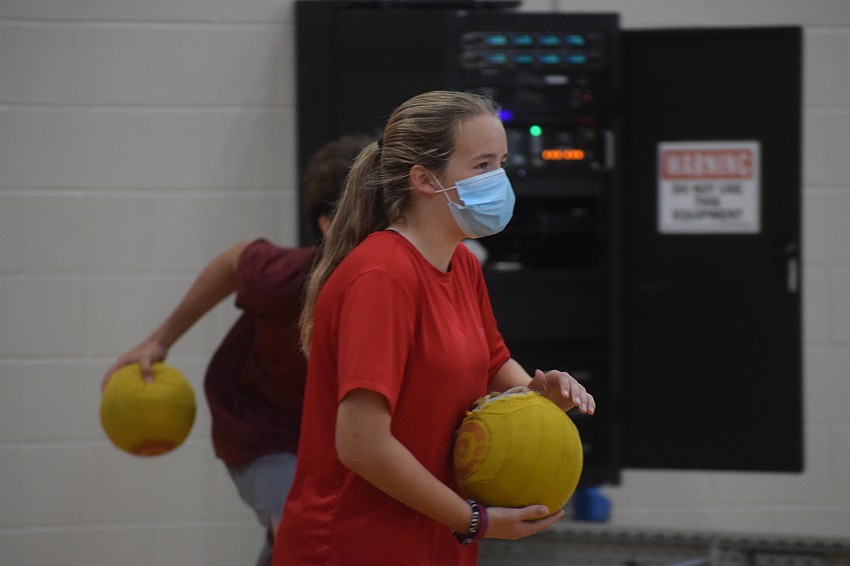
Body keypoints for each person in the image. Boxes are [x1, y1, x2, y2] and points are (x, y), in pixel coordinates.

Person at [273, 90, 596, 566]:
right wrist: (474, 521)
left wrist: (540, 397)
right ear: (424, 179)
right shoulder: (381, 277)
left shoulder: (462, 264)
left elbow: (490, 366)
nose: (500, 180)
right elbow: (361, 443)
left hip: (433, 546)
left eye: (502, 163)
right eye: (483, 165)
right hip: (352, 548)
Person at [102, 133, 370, 566]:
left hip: (332, 438)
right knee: (302, 540)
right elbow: (234, 260)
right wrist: (160, 340)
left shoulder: (394, 284)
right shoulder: (286, 277)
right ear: (327, 224)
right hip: (262, 429)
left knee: (309, 544)